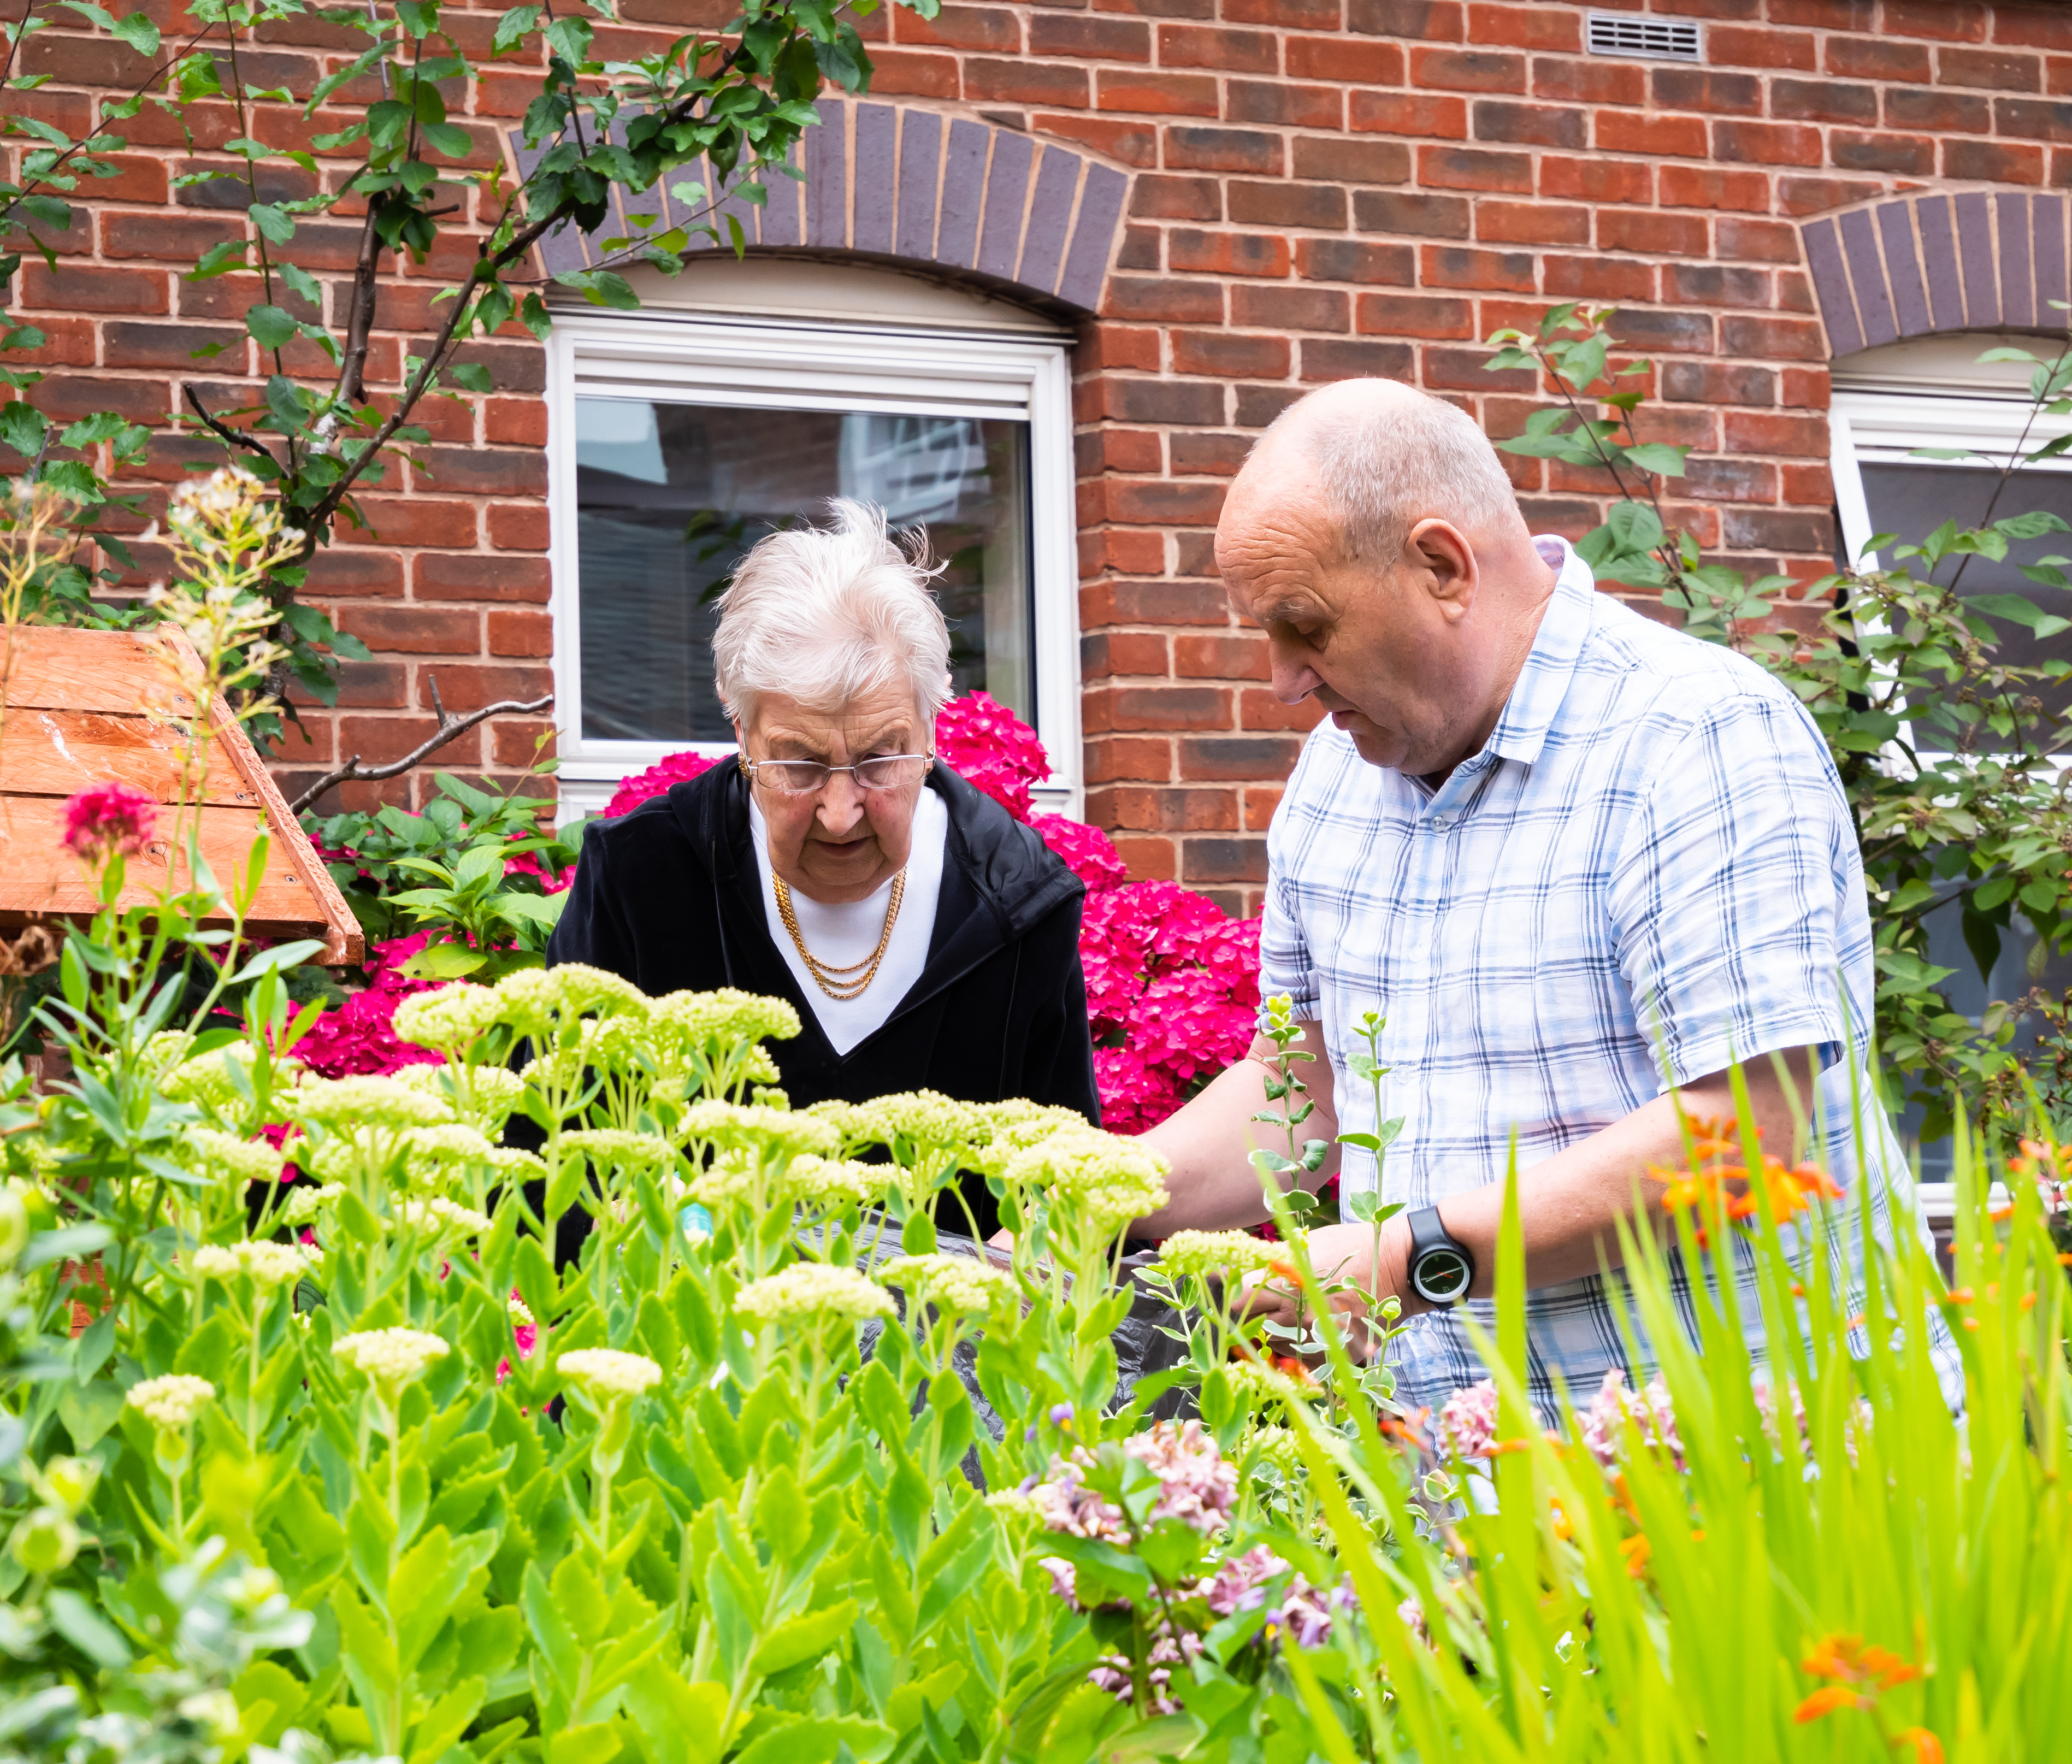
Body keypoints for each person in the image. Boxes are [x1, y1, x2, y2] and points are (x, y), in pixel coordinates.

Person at [1137, 377, 1933, 1424]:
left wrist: (1405, 1259)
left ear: (1441, 566)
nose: (1283, 679)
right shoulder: (1333, 786)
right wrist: (1078, 1201)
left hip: (1754, 1489)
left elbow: (1740, 1137)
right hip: (1458, 1495)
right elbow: (1304, 1088)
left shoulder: (1696, 737)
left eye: (1304, 625)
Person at [549, 499, 1099, 1125]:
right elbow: (555, 1149)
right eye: (799, 764)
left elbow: (1063, 1182)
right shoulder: (640, 877)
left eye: (878, 758)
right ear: (740, 728)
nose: (840, 814)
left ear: (930, 726)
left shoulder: (1020, 901)